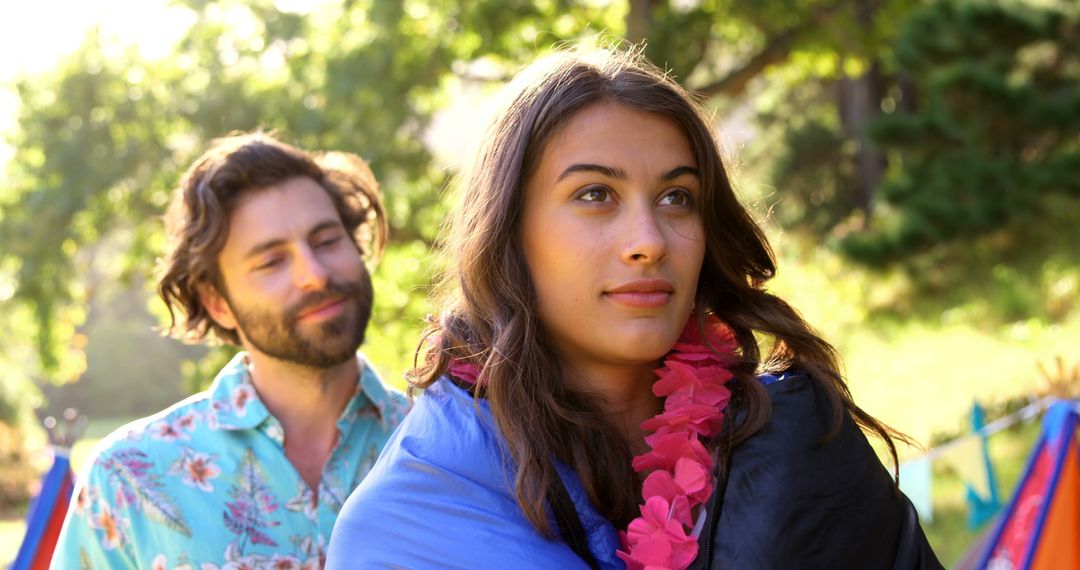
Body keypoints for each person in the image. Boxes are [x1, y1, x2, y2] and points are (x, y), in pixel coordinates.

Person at [326, 48, 941, 570]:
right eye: (595, 194)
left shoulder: (792, 437)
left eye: (677, 197)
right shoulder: (408, 526)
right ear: (509, 230)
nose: (649, 239)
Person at [51, 132, 410, 569]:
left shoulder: (450, 450)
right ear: (217, 303)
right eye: (271, 262)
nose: (314, 274)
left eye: (327, 240)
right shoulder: (128, 477)